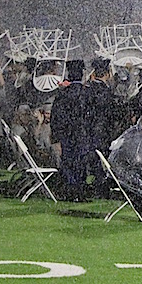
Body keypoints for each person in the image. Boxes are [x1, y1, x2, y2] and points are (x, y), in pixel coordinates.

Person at [50, 59, 92, 201]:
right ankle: (79, 191)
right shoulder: (86, 93)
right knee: (80, 163)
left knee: (68, 163)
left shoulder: (63, 94)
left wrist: (56, 137)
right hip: (82, 134)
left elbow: (56, 117)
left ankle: (70, 190)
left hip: (66, 135)